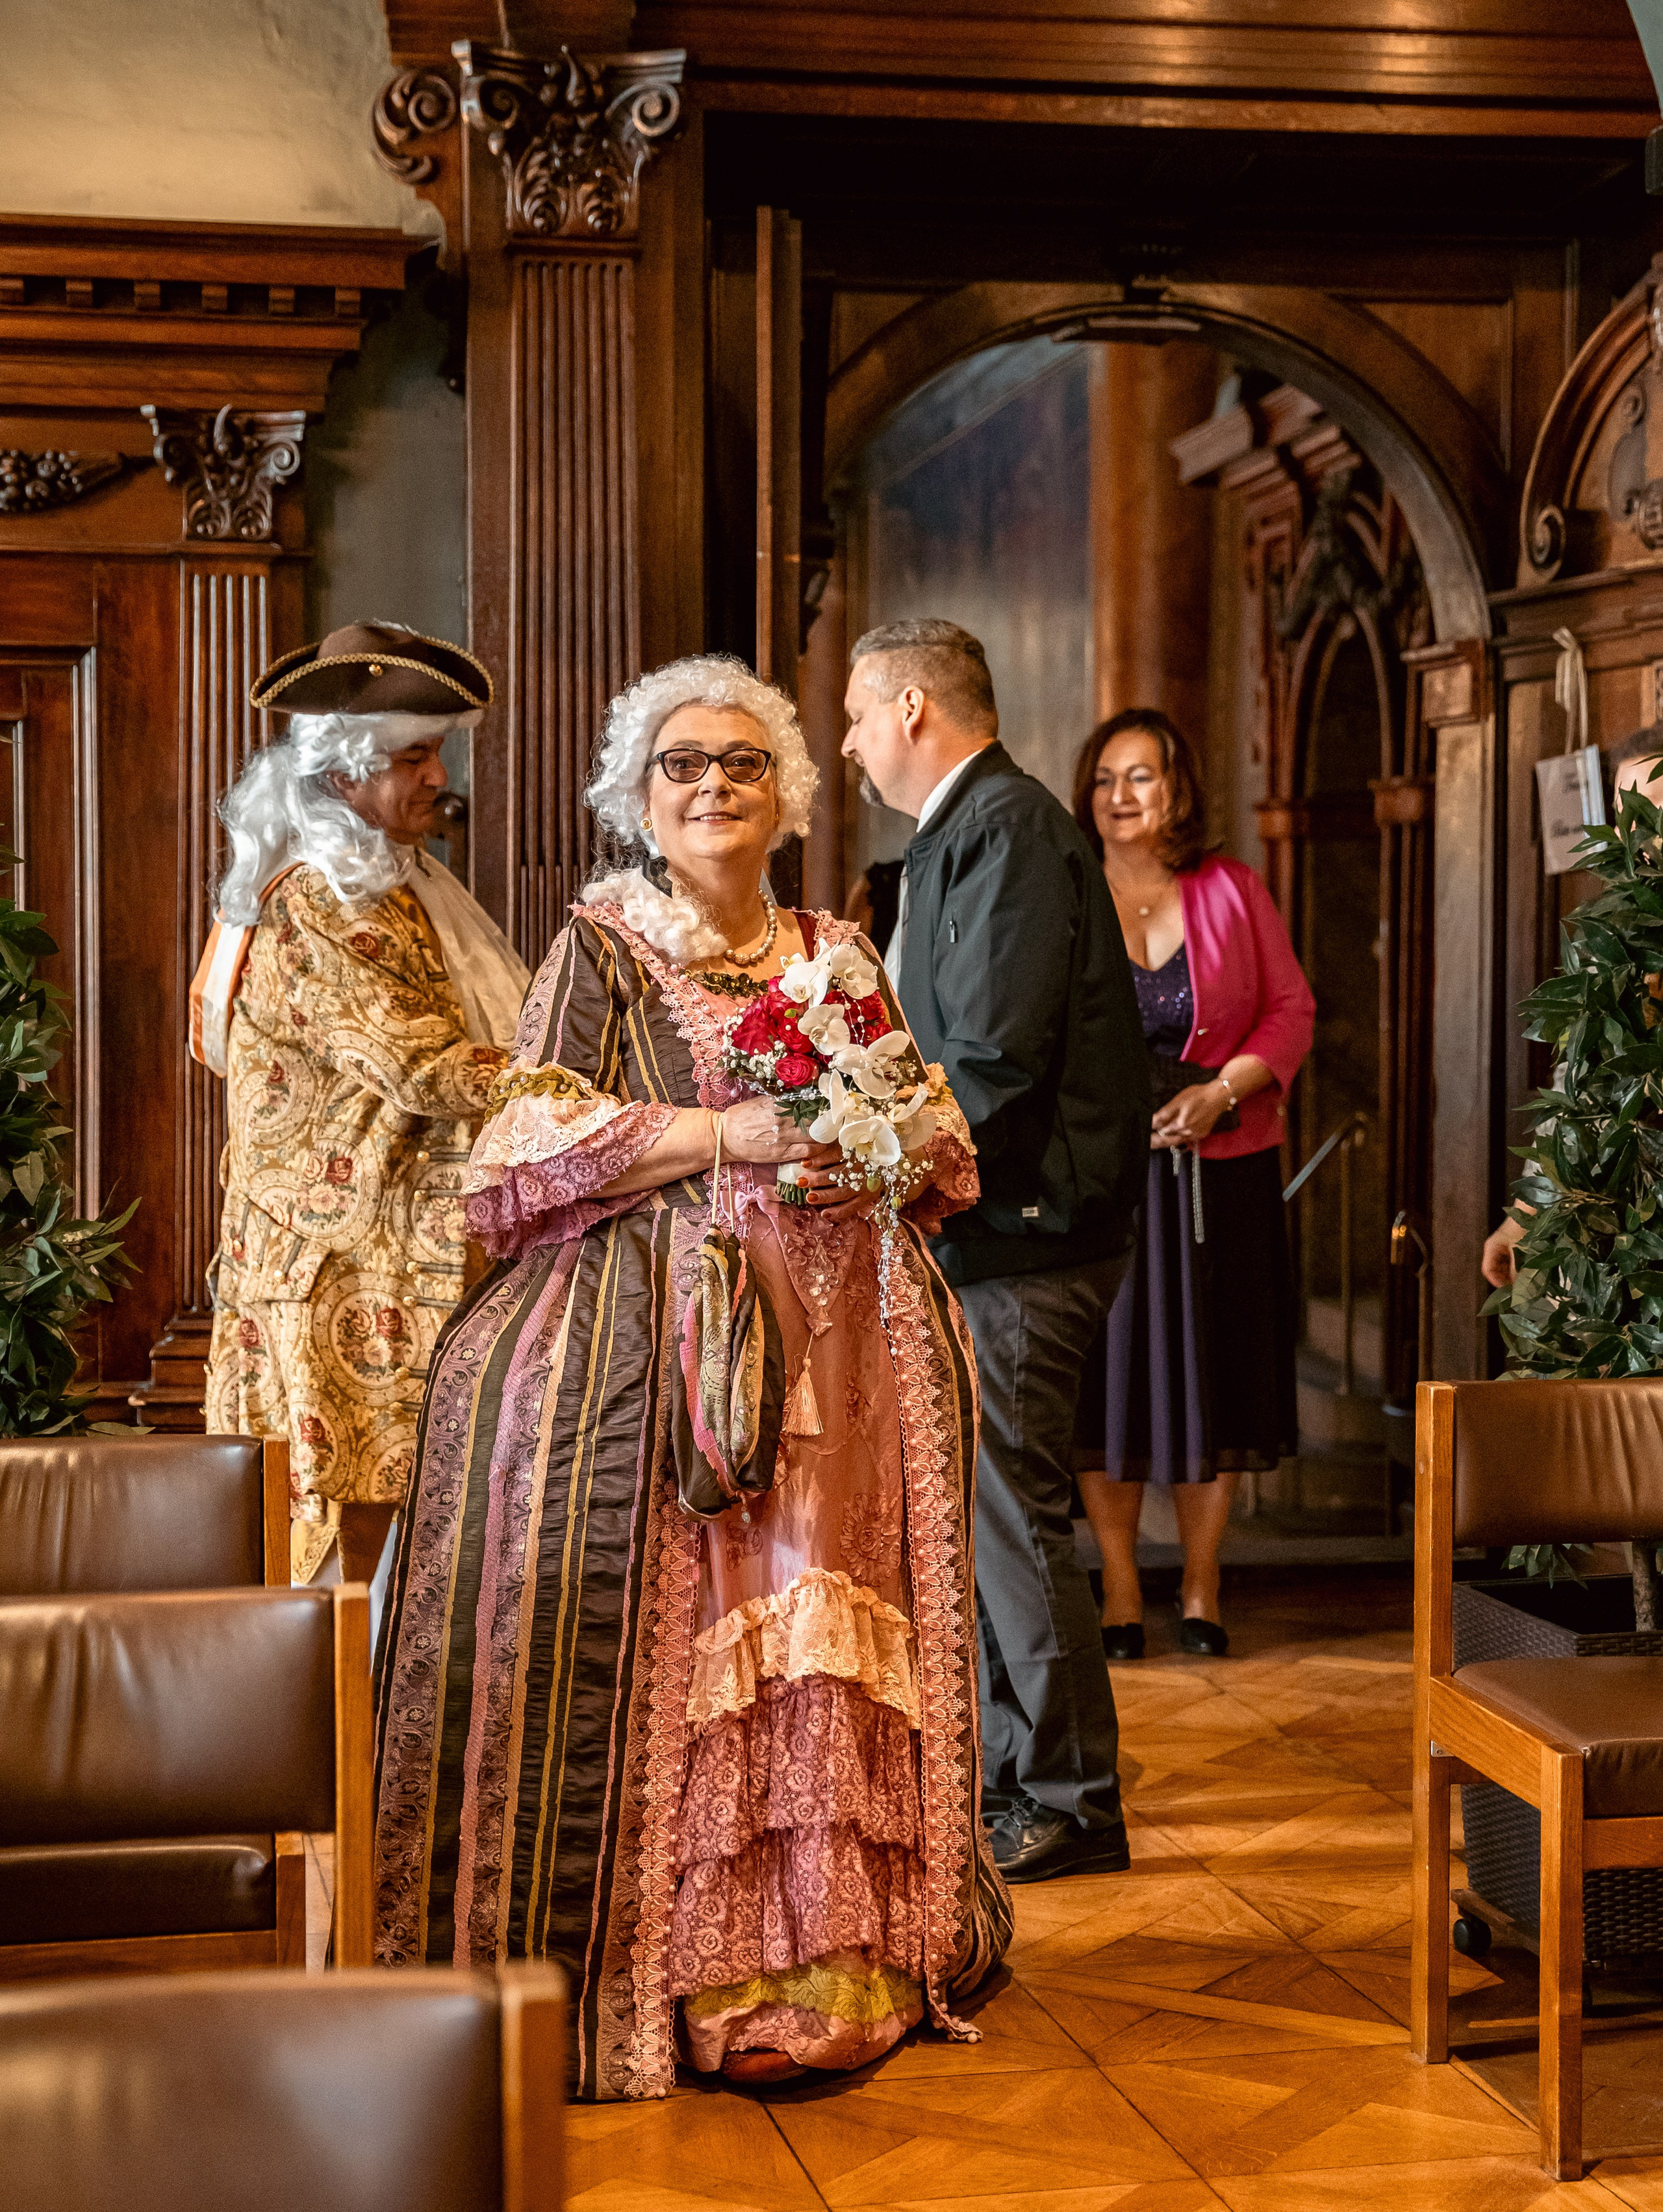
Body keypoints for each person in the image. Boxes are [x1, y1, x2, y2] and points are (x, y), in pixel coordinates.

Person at [372, 653, 1009, 2099]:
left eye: (739, 763)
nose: (712, 786)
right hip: (676, 1343)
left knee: (834, 1618)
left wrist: (869, 1142)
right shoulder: (601, 945)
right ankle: (707, 1978)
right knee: (715, 1615)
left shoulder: (835, 948)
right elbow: (527, 1143)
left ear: (784, 792)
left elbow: (939, 1140)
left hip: (853, 1345)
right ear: (637, 798)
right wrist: (725, 1136)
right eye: (682, 766)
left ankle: (845, 1959)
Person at [843, 618, 1149, 1887]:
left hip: (1025, 1238)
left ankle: (1071, 1800)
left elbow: (991, 1058)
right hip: (994, 1231)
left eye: (859, 715)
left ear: (914, 708)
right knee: (996, 1517)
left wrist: (864, 1164)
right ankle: (1020, 1779)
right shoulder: (966, 829)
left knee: (1015, 1519)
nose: (849, 742)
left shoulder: (1007, 826)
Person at [199, 623, 529, 1585]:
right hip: (346, 1269)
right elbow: (419, 1061)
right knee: (360, 1545)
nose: (437, 778)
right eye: (413, 757)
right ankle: (353, 1730)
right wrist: (585, 1084)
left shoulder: (384, 878)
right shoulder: (326, 897)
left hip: (376, 1257)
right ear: (346, 775)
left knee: (407, 1531)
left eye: (436, 753)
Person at [1071, 709, 1313, 1659]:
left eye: (1142, 776)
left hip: (1225, 1174)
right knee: (1110, 1390)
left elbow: (1292, 1008)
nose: (1121, 796)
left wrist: (1222, 1091)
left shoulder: (1232, 889)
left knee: (1219, 1385)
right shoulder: (1068, 890)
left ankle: (1205, 1583)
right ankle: (1123, 1585)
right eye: (1105, 778)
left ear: (1178, 788)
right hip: (1106, 1180)